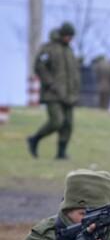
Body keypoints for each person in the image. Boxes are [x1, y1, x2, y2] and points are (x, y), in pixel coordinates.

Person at [27, 23, 80, 160]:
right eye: (68, 36)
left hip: (69, 95)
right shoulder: (48, 48)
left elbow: (74, 73)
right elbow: (39, 66)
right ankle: (35, 139)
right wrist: (50, 83)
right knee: (57, 121)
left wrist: (75, 90)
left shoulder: (69, 51)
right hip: (53, 94)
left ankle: (61, 153)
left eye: (71, 37)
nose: (70, 39)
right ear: (62, 34)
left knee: (68, 125)